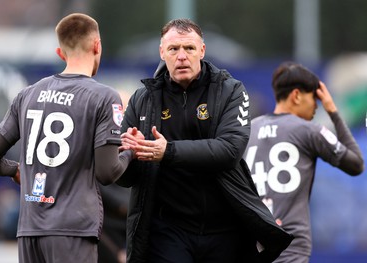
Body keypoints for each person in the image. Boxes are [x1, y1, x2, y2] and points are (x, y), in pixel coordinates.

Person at [117, 18, 293, 263]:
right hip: (168, 230)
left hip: (225, 228)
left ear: (202, 50)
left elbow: (230, 151)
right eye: (173, 49)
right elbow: (125, 178)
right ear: (162, 53)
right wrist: (132, 154)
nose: (181, 56)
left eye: (189, 48)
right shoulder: (142, 99)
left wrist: (167, 151)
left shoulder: (231, 91)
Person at [0, 13, 133, 263]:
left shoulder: (27, 94)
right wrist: (131, 151)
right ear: (97, 45)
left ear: (60, 53)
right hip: (73, 230)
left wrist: (15, 170)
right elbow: (107, 172)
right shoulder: (104, 97)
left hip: (30, 229)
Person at [243, 61, 364, 263]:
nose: (316, 106)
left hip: (253, 243)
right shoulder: (307, 130)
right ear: (296, 95)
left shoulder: (249, 131)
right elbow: (356, 164)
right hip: (290, 248)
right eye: (313, 98)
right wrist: (333, 111)